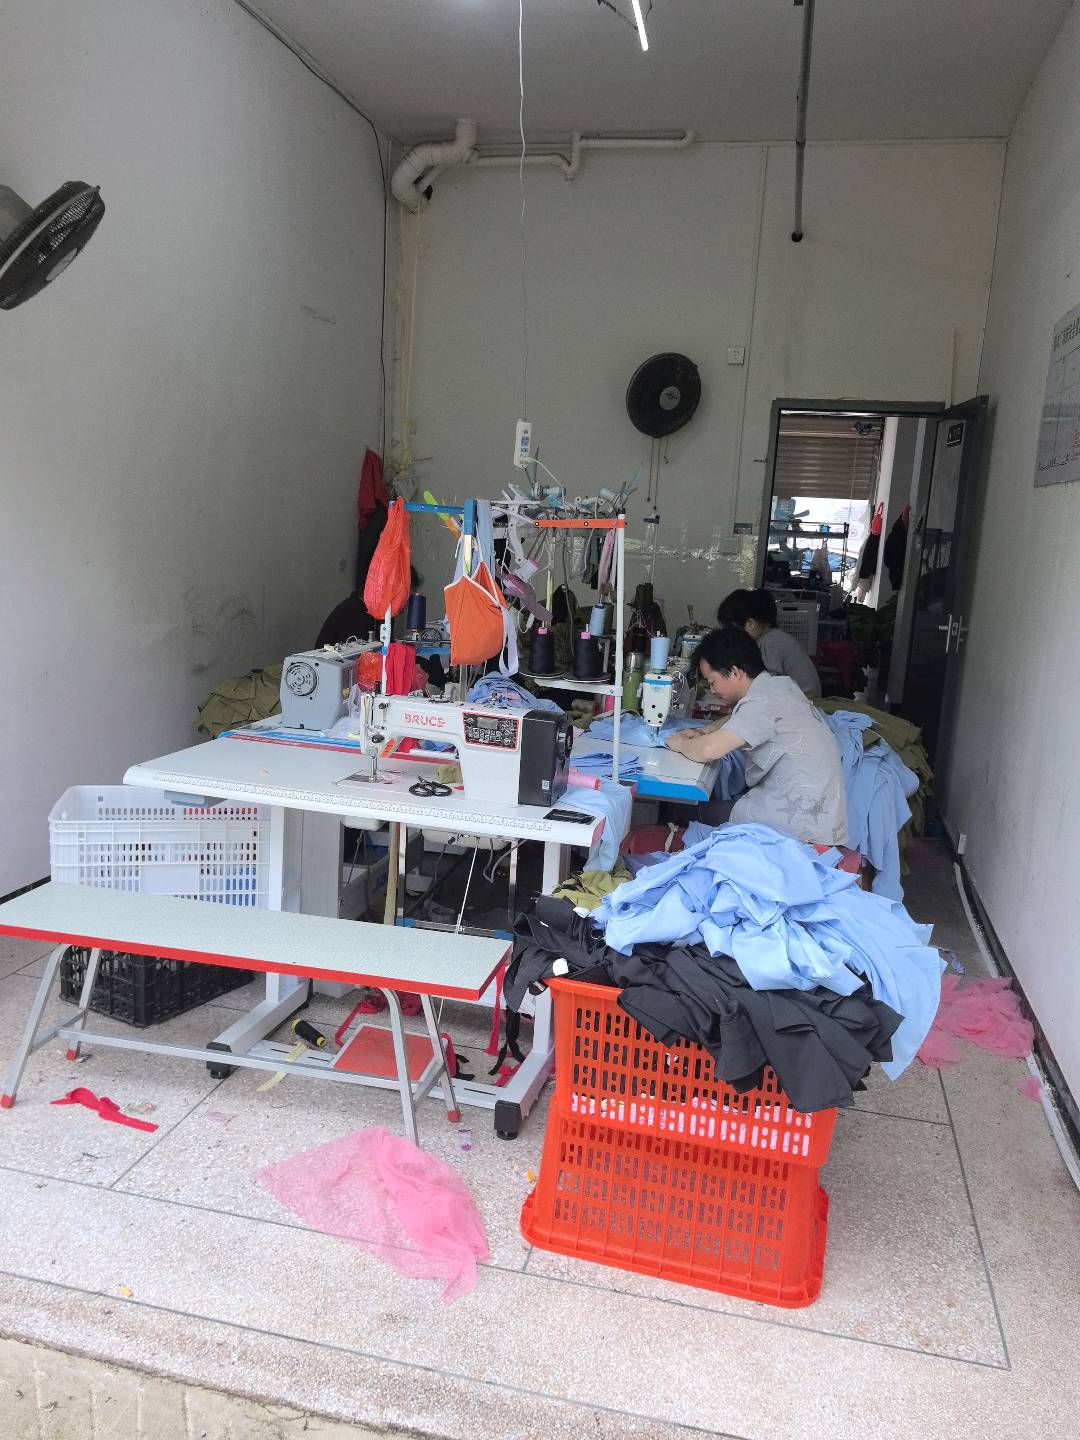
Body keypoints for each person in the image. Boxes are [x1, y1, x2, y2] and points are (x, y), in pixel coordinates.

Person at [666, 627, 846, 846]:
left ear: (734, 672)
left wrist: (680, 744)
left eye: (712, 681)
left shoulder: (761, 701)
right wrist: (706, 730)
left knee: (681, 810)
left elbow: (708, 750)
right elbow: (741, 717)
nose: (712, 690)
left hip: (796, 826)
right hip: (820, 817)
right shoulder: (780, 686)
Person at [716, 588, 822, 698]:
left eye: (733, 631)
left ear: (750, 624)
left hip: (804, 701)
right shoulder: (774, 636)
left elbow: (766, 685)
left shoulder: (768, 643)